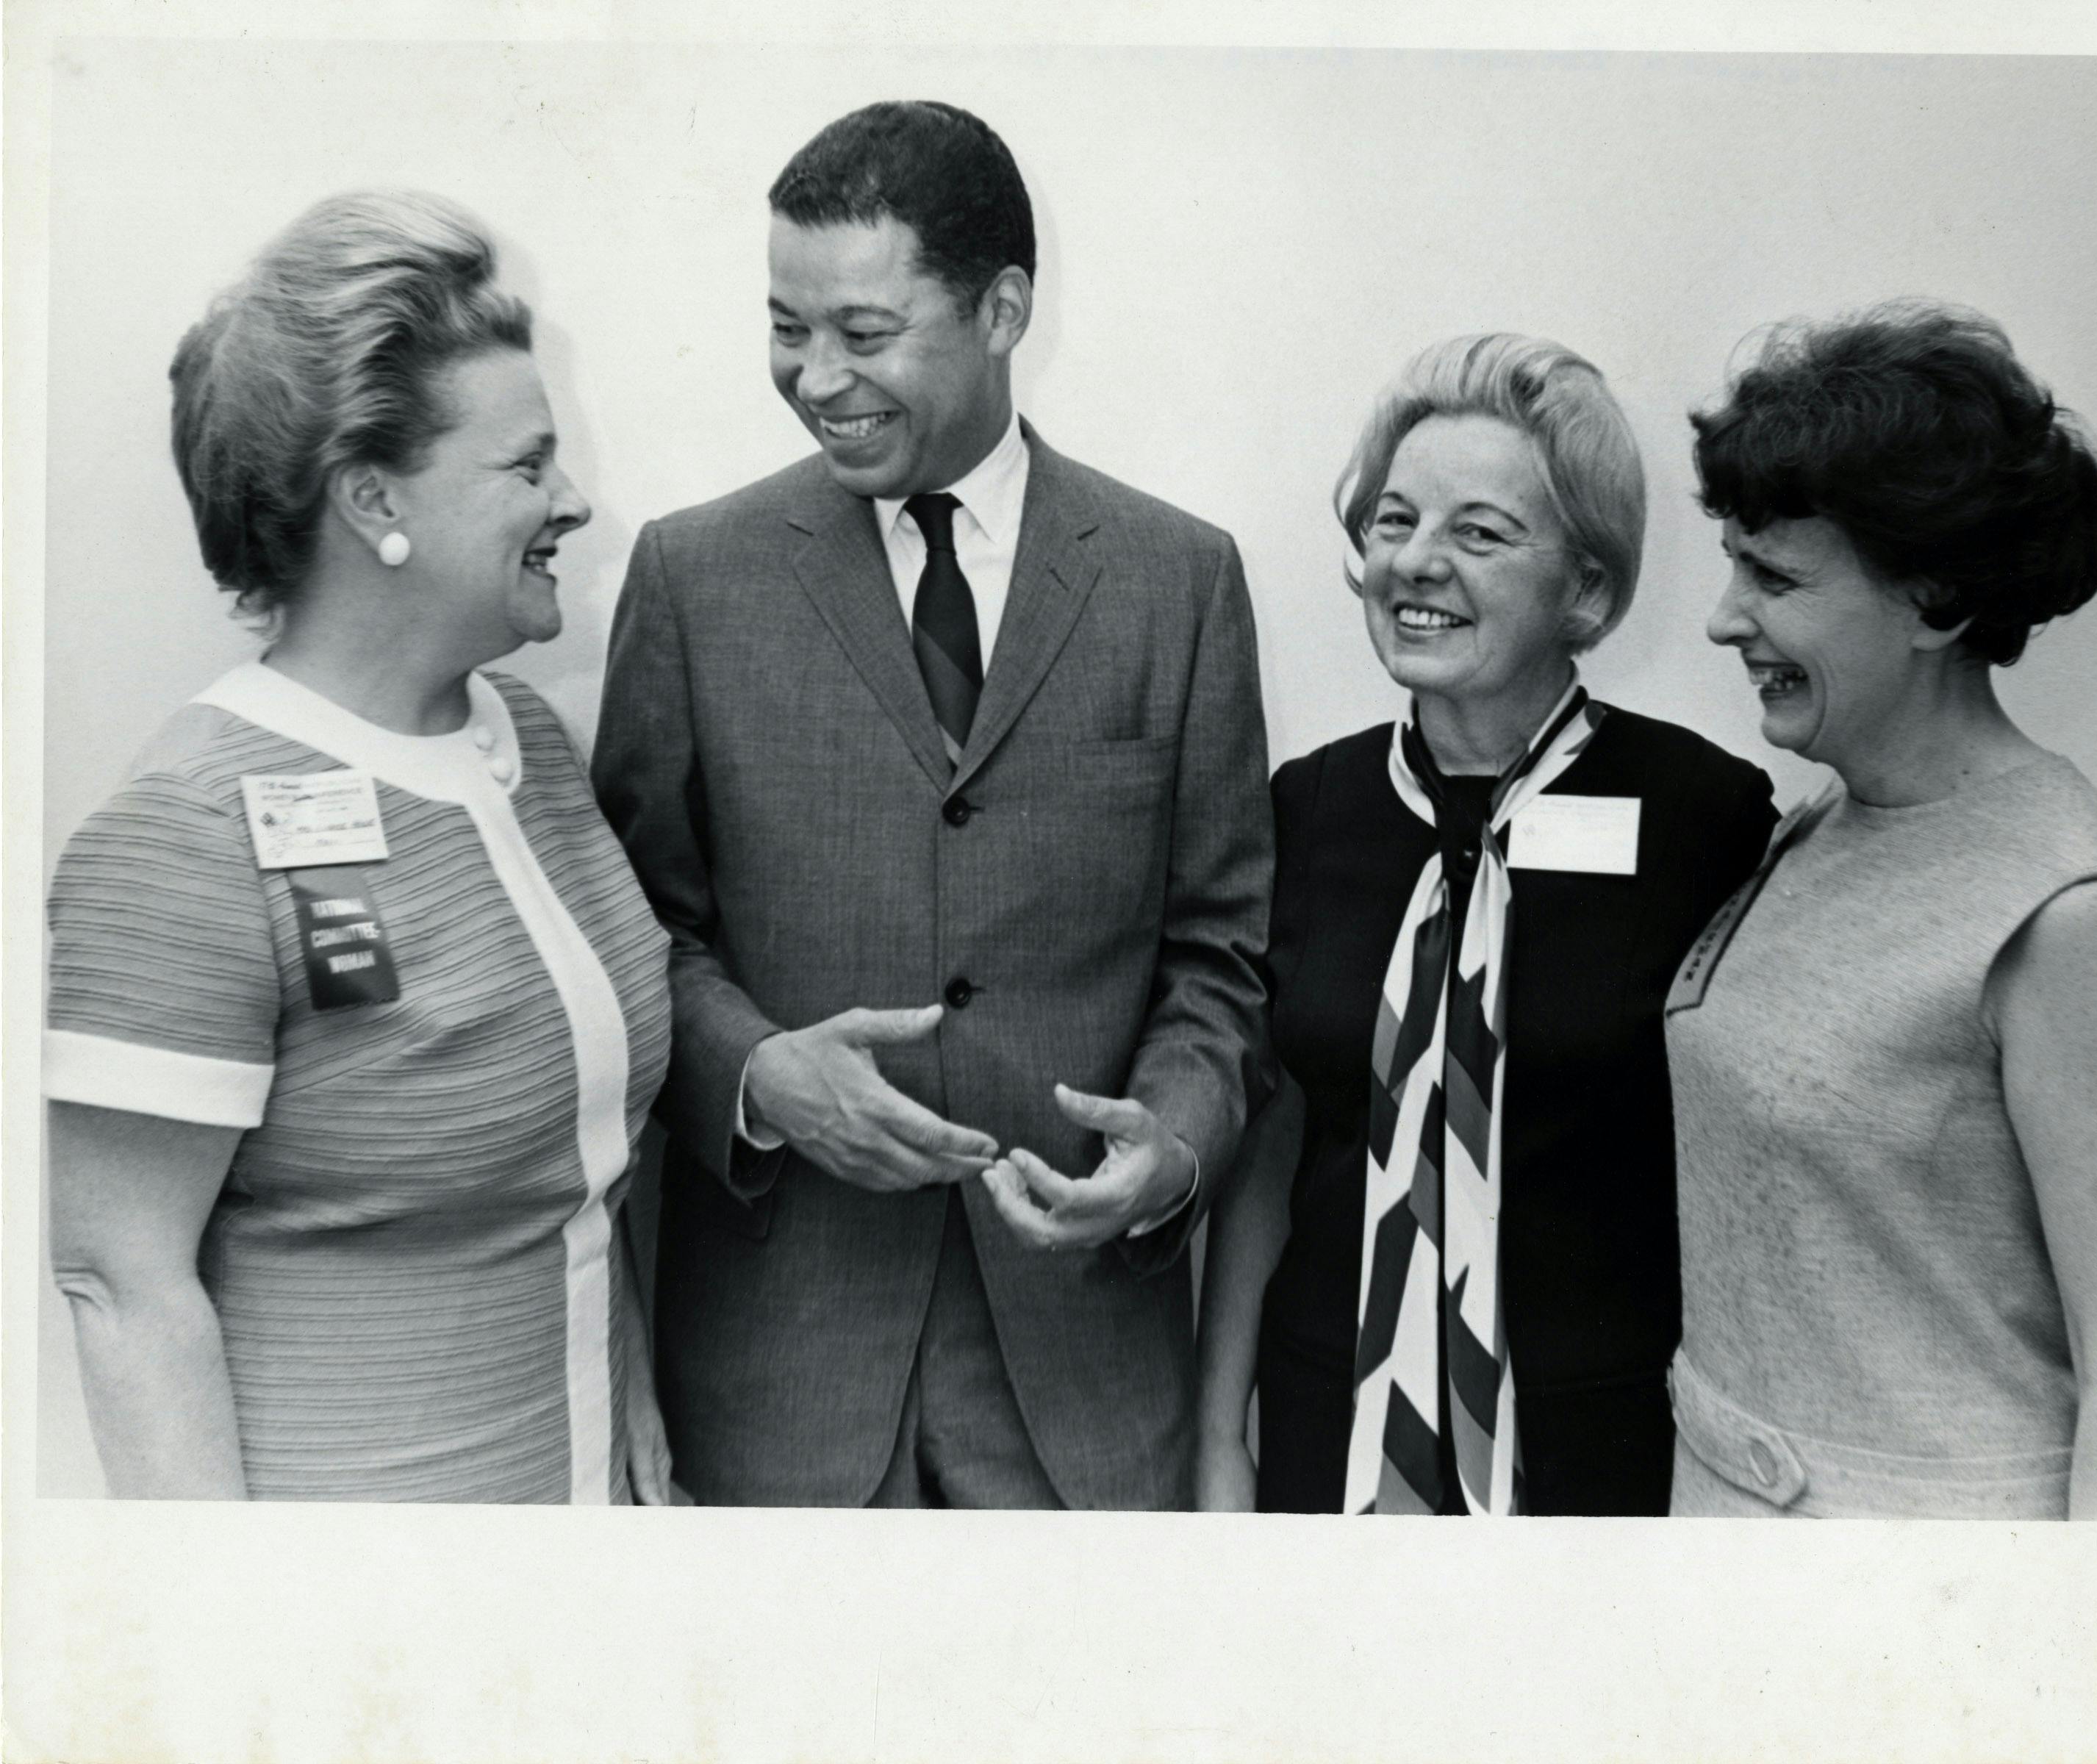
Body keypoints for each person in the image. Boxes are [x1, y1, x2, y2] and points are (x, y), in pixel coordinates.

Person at [592, 101, 1270, 1509]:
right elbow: (636, 931)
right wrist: (759, 1078)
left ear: (1002, 310)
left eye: (862, 330)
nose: (814, 377)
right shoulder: (690, 579)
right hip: (780, 1387)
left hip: (1084, 1385)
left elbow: (1220, 954)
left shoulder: (1182, 580)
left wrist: (1168, 1152)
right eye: (786, 328)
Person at [44, 191, 674, 1503]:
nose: (573, 502)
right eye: (526, 467)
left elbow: (574, 1176)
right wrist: (225, 1616)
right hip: (362, 1586)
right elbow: (120, 1284)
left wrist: (631, 1415)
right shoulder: (187, 832)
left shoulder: (528, 744)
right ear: (372, 496)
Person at [1196, 334, 1777, 1516]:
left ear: (1588, 589)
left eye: (1479, 532)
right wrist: (1217, 1434)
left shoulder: (1700, 816)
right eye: (1392, 521)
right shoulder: (1303, 808)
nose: (1416, 562)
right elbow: (1275, 1139)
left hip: (1598, 1455)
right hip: (1327, 1430)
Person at [1664, 301, 2097, 1519]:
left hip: (1933, 1580)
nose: (1724, 618)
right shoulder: (1819, 822)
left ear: (1933, 600)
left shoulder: (2069, 910)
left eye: (1774, 577)